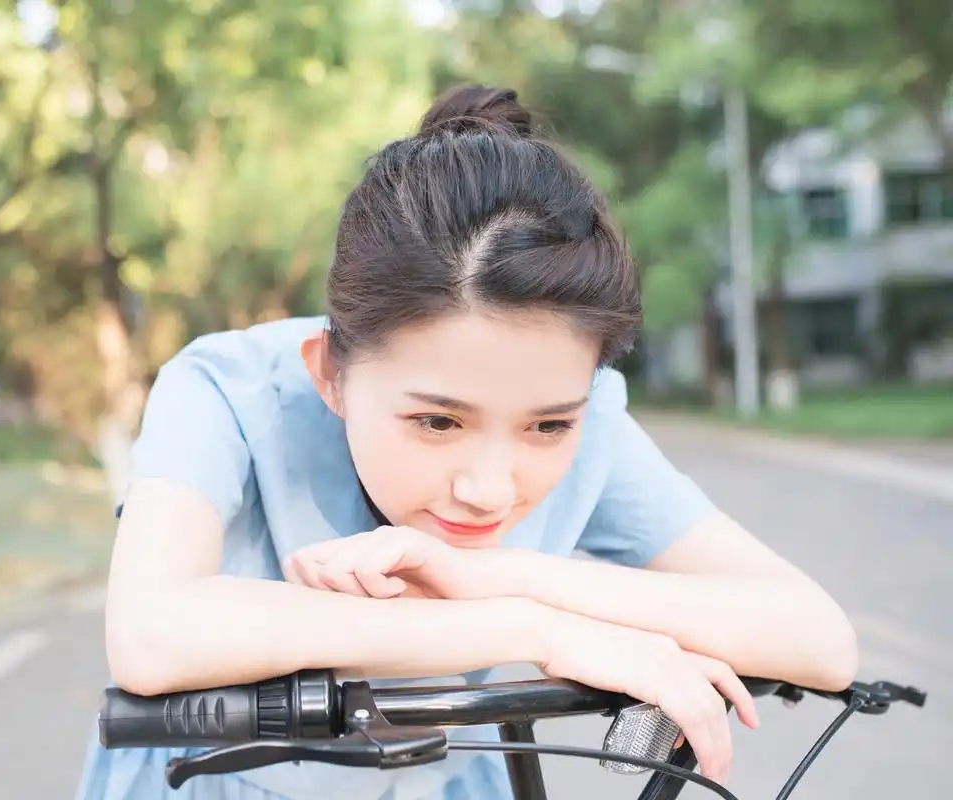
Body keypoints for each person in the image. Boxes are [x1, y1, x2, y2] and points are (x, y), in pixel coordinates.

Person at [75, 84, 859, 800]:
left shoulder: (594, 425)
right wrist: (536, 627)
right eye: (438, 422)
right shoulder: (226, 390)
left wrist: (499, 574)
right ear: (331, 375)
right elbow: (150, 632)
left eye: (548, 426)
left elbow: (818, 638)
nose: (488, 489)